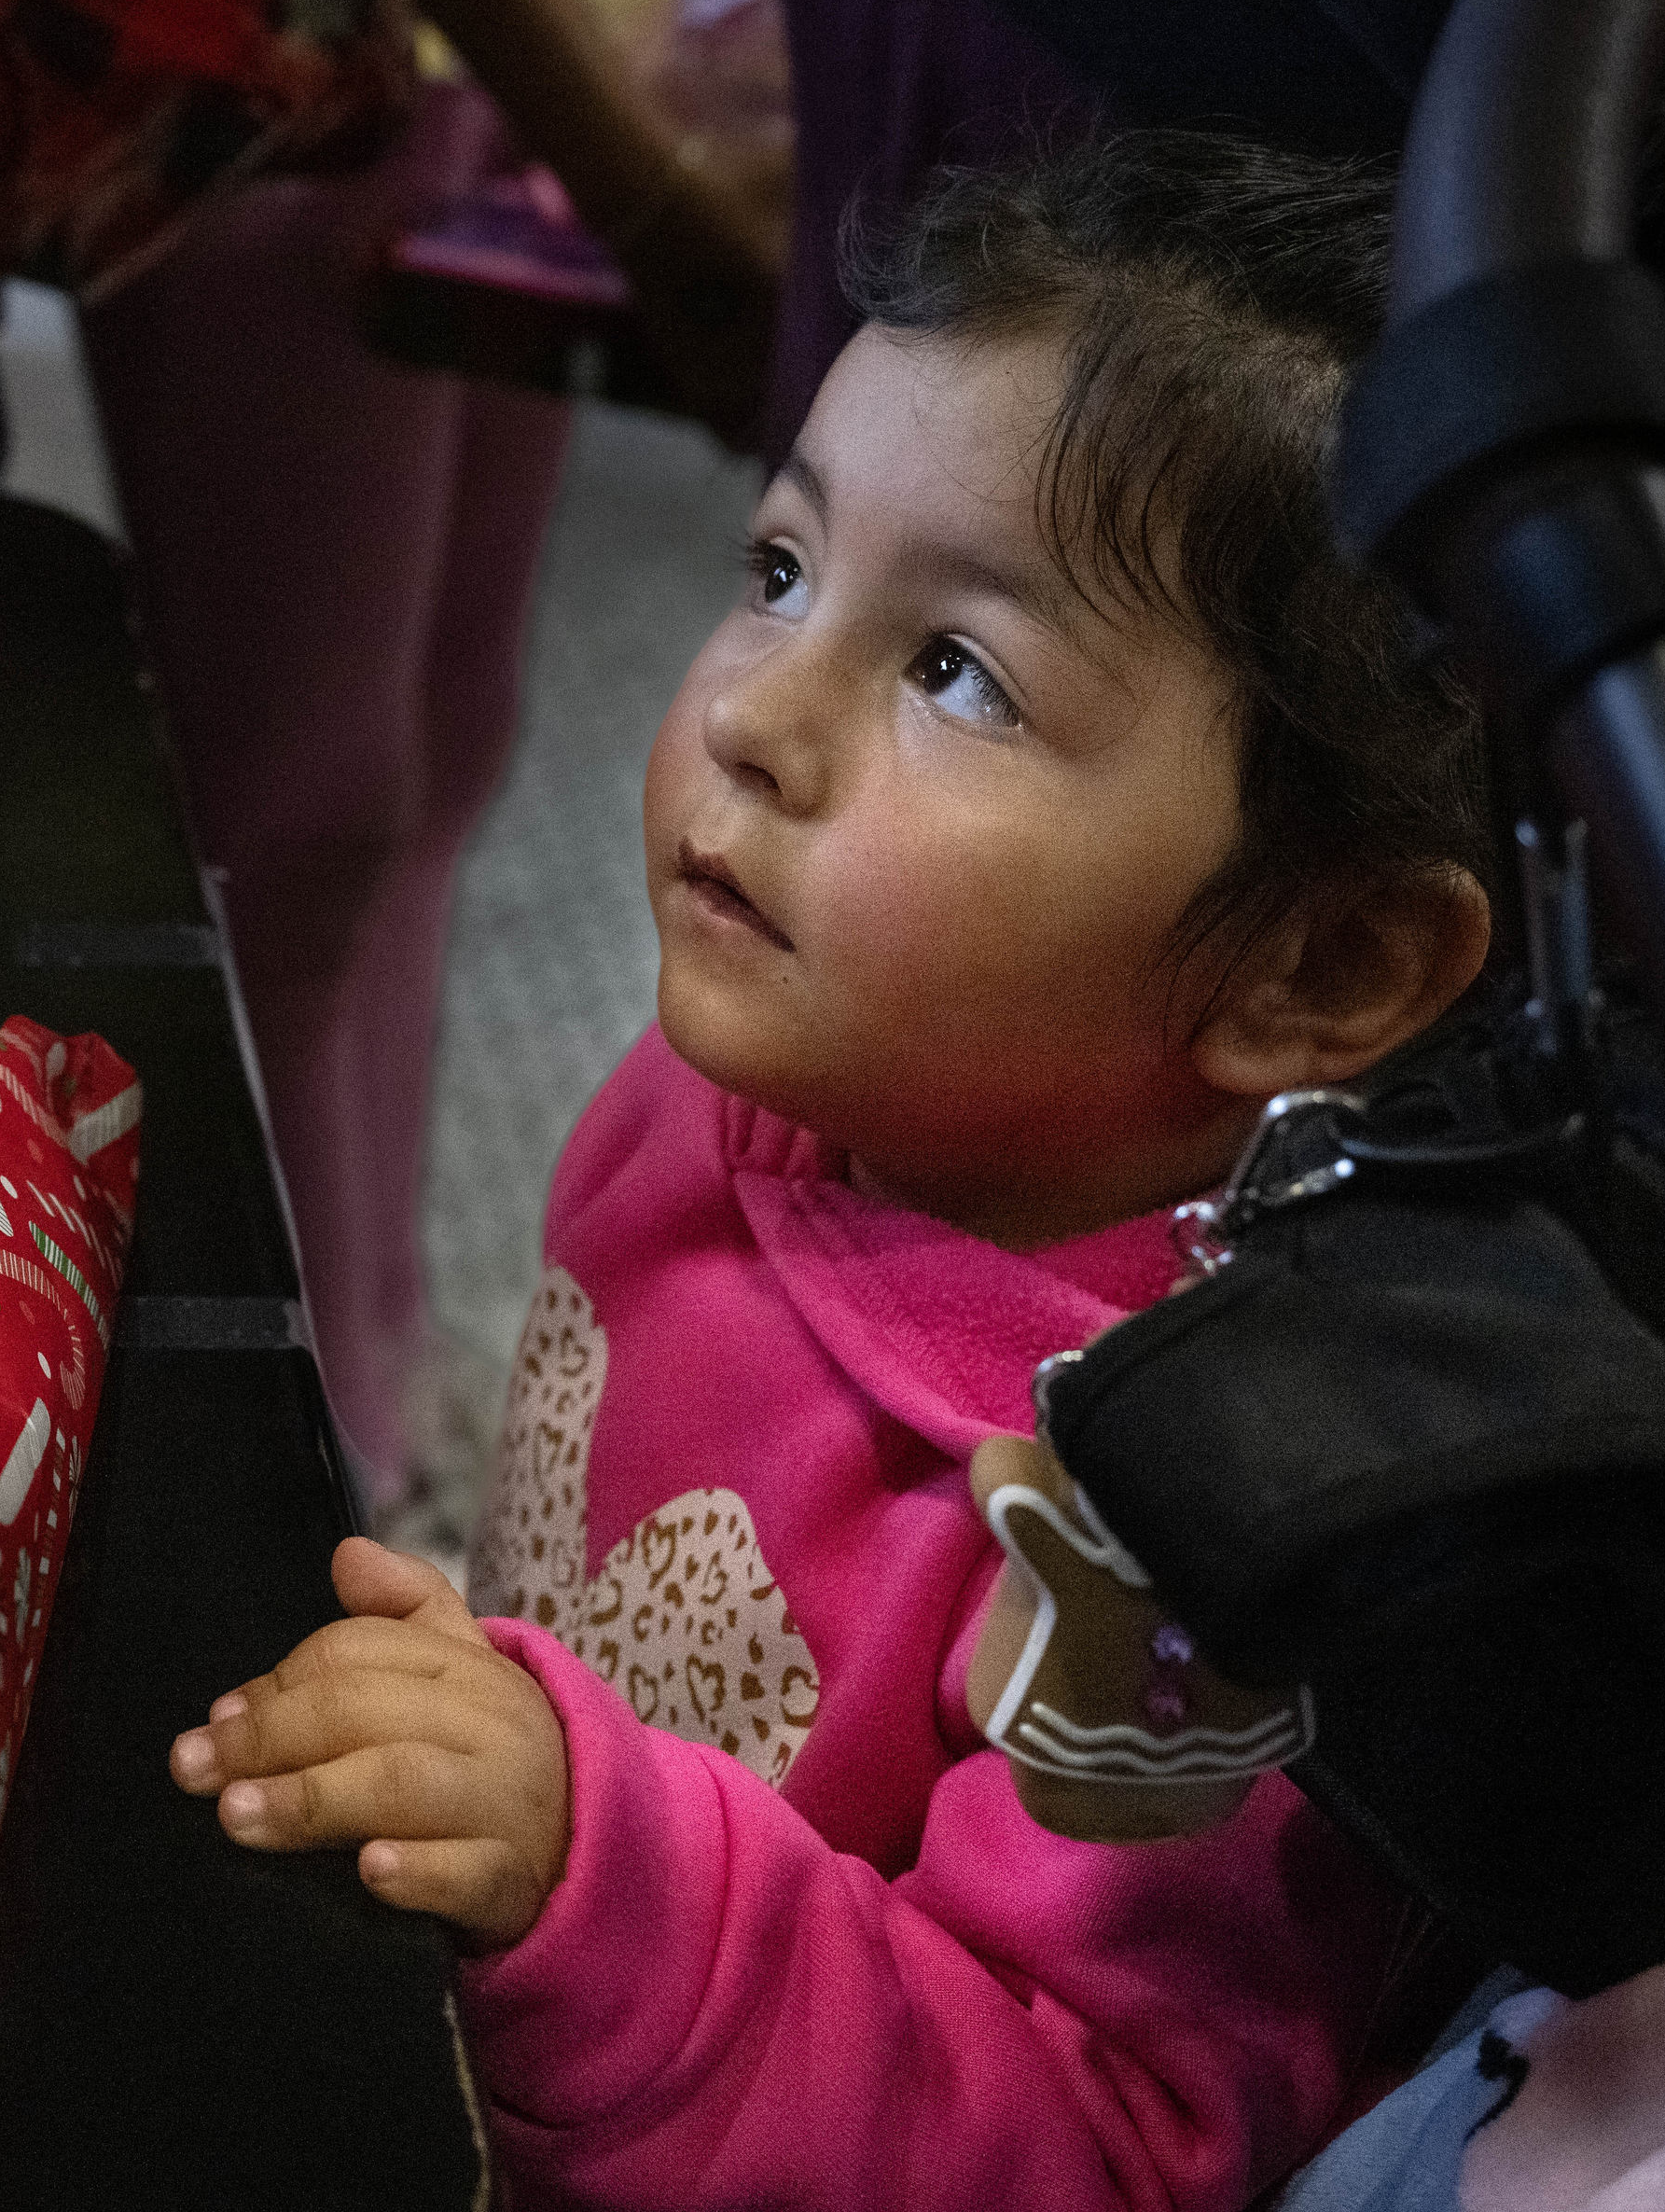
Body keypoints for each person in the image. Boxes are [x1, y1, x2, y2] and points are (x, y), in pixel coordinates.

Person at [170, 129, 1513, 2208]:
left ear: (1314, 961)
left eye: (953, 672)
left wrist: (599, 1873)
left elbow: (1100, 2140)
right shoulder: (741, 1080)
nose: (753, 714)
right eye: (777, 568)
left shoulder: (1201, 1558)